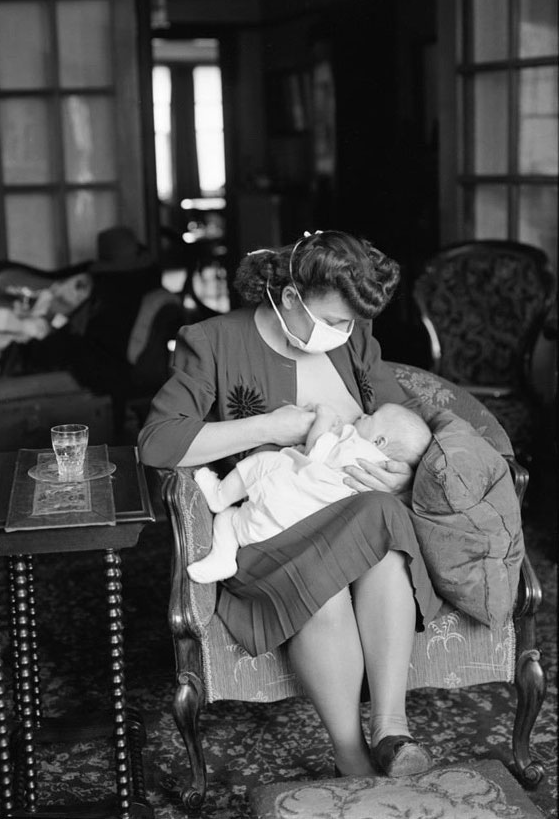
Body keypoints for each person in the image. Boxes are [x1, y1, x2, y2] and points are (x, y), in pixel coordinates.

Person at [139, 229, 442, 779]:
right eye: (332, 319)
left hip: (353, 514)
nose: (343, 333)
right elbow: (157, 443)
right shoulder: (211, 341)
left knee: (386, 519)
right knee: (327, 585)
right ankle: (351, 755)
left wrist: (402, 470)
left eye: (350, 323)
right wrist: (270, 426)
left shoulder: (353, 339)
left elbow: (402, 420)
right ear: (288, 294)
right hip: (266, 529)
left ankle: (392, 732)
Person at [188, 402, 432, 584]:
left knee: (263, 464)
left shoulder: (355, 444)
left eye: (371, 416)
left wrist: (323, 421)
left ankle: (220, 497)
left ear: (379, 442)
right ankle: (224, 557)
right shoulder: (383, 477)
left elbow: (315, 452)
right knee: (234, 522)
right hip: (299, 534)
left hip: (278, 504)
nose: (364, 414)